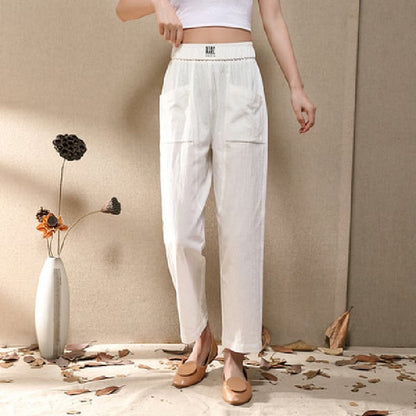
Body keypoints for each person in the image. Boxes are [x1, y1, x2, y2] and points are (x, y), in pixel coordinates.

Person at [116, 0, 316, 405]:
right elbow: (123, 9)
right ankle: (201, 338)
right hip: (186, 74)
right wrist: (160, 3)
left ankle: (235, 356)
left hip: (239, 71)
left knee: (242, 229)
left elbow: (272, 17)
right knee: (179, 231)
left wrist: (296, 86)